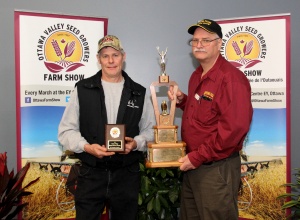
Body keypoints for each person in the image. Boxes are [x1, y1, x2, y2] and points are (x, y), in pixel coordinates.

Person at [58, 35, 155, 220]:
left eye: (115, 55)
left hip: (126, 174)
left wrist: (136, 143)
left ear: (123, 57)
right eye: (105, 56)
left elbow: (151, 131)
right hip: (91, 173)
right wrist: (87, 147)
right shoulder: (82, 89)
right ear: (98, 59)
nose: (111, 60)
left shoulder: (139, 92)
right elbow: (65, 132)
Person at [168, 19, 253, 220]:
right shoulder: (196, 75)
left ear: (219, 43)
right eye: (195, 40)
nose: (199, 44)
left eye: (206, 40)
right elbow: (206, 112)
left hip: (215, 169)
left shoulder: (231, 78)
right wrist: (183, 101)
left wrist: (197, 157)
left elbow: (233, 129)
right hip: (194, 166)